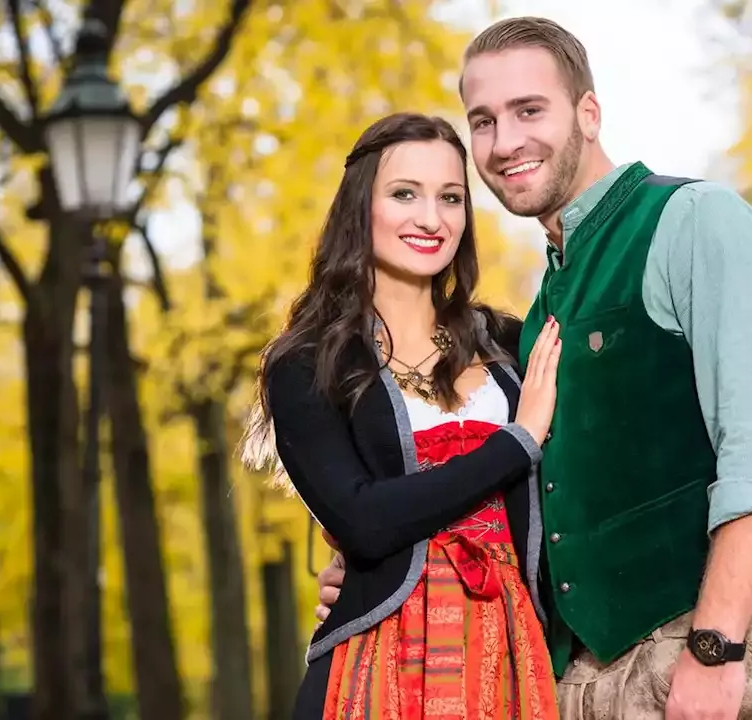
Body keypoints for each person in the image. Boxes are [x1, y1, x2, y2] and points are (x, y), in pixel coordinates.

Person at [314, 17, 752, 720]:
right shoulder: (539, 304)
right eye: (484, 121)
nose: (505, 141)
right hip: (570, 676)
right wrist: (383, 569)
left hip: (700, 650)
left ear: (589, 111)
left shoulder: (695, 220)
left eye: (530, 110)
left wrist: (715, 647)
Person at [241, 112, 567, 719]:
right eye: (404, 194)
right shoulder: (307, 363)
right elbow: (365, 521)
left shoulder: (506, 343)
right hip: (371, 664)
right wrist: (517, 441)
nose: (430, 218)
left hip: (512, 658)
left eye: (450, 197)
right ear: (360, 207)